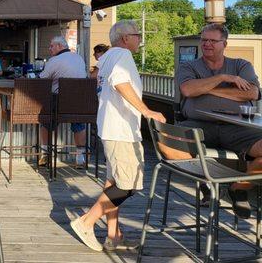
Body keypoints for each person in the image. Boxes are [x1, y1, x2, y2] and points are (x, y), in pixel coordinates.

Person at [71, 20, 166, 252]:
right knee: (128, 186)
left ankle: (113, 235)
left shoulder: (106, 58)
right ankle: (86, 222)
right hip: (121, 131)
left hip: (109, 127)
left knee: (113, 183)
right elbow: (120, 83)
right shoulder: (122, 55)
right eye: (137, 35)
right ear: (125, 38)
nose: (139, 40)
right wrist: (147, 110)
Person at [177, 23, 261, 219]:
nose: (207, 44)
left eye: (212, 41)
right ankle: (207, 182)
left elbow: (252, 92)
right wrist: (224, 78)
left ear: (224, 44)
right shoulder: (188, 66)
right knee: (166, 144)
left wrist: (206, 88)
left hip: (237, 128)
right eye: (204, 40)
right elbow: (188, 90)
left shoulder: (241, 65)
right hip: (198, 125)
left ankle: (239, 187)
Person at [38, 36, 87, 166]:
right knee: (79, 125)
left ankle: (45, 153)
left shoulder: (54, 60)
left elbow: (41, 79)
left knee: (45, 120)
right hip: (79, 102)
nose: (49, 49)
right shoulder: (79, 58)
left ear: (60, 46)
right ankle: (80, 156)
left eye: (51, 46)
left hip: (59, 102)